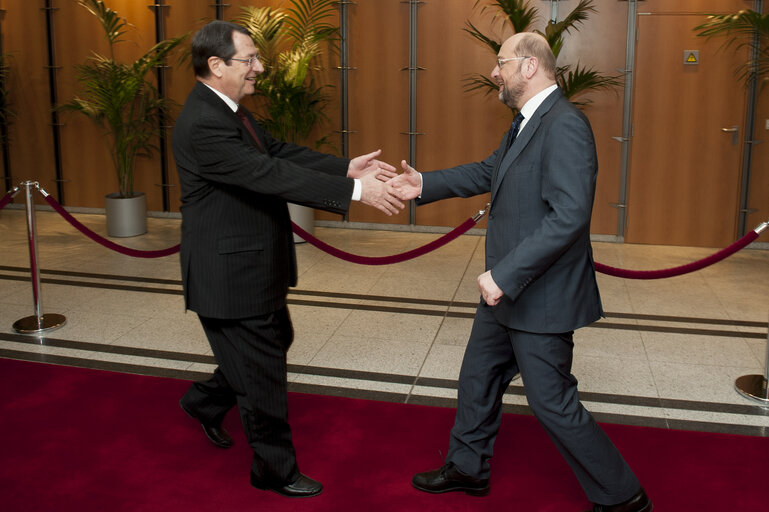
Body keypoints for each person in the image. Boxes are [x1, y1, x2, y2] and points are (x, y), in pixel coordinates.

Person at [389, 32, 652, 512]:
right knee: (478, 377)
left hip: (538, 293)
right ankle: (468, 468)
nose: (495, 72)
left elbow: (568, 217)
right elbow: (488, 171)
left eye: (501, 63)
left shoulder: (565, 124)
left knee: (552, 402)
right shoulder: (527, 122)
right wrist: (423, 183)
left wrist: (505, 275)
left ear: (529, 67)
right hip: (507, 291)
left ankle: (623, 497)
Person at [172, 21, 403, 498]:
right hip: (229, 271)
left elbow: (275, 152)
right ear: (215, 65)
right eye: (249, 59)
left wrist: (344, 166)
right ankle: (273, 470)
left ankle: (203, 401)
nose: (259, 68)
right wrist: (357, 190)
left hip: (252, 263)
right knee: (262, 375)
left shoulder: (231, 110)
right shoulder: (203, 123)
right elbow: (265, 172)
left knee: (275, 340)